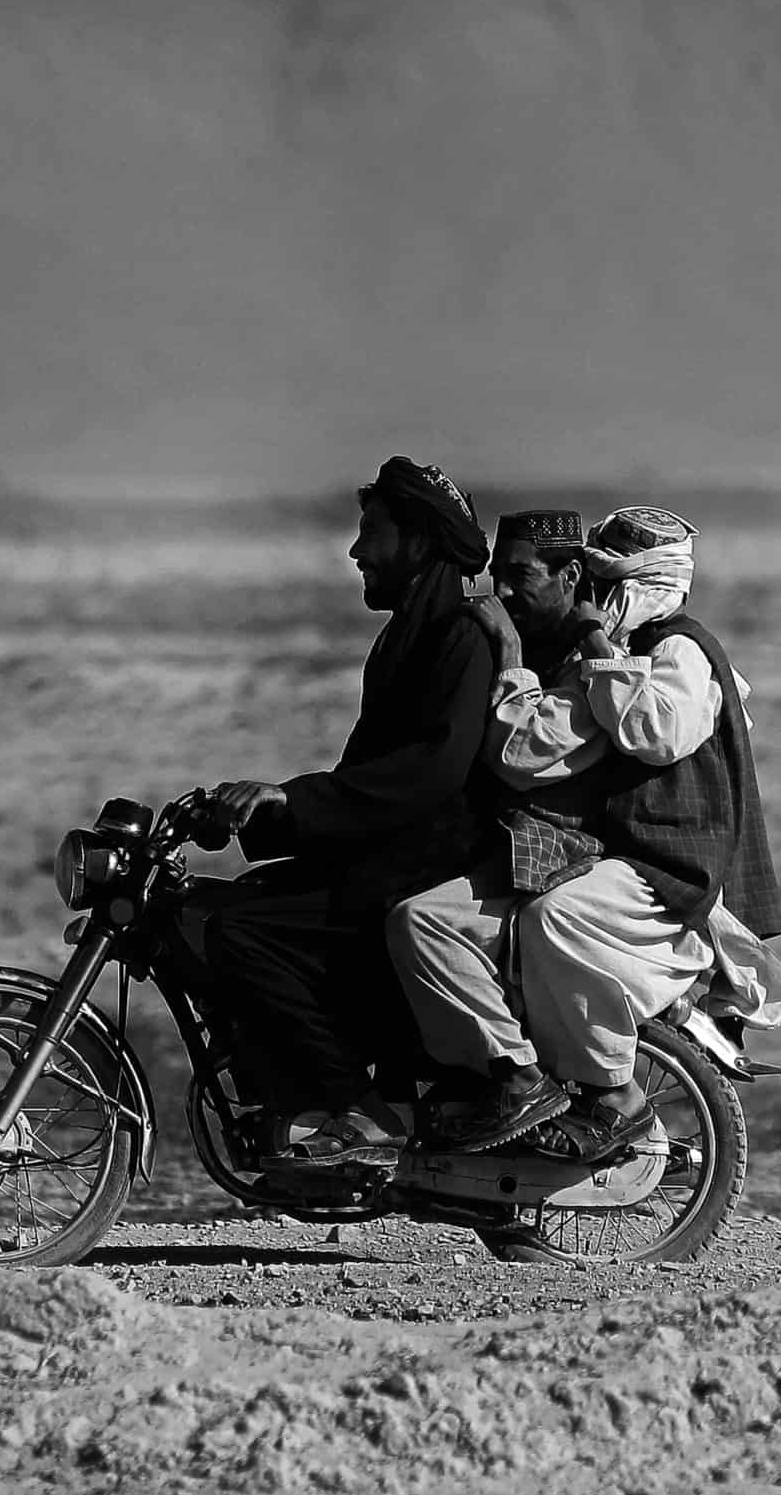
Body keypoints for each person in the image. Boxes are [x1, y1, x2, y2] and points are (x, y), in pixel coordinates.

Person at [386, 505, 781, 1163]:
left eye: (520, 575)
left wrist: (538, 653)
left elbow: (633, 736)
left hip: (666, 866)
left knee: (554, 920)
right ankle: (498, 1080)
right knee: (418, 922)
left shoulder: (675, 651)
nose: (505, 592)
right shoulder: (619, 654)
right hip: (619, 858)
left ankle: (610, 1096)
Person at [184, 455, 501, 1171]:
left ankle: (357, 1109)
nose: (357, 552)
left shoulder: (460, 634)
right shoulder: (406, 636)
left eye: (372, 534)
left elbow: (430, 772)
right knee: (243, 902)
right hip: (393, 855)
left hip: (430, 864)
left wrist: (292, 798)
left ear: (417, 541)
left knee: (242, 932)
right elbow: (361, 780)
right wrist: (257, 818)